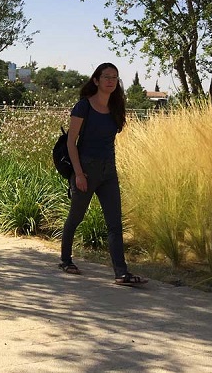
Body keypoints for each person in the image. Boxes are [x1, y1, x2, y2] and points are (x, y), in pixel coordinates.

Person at [59, 62, 147, 286]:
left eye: (114, 77)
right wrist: (78, 174)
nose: (110, 80)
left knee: (114, 223)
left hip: (109, 171)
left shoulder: (116, 108)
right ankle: (66, 260)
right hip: (86, 170)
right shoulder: (83, 107)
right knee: (76, 217)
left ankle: (121, 273)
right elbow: (71, 142)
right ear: (96, 80)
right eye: (106, 76)